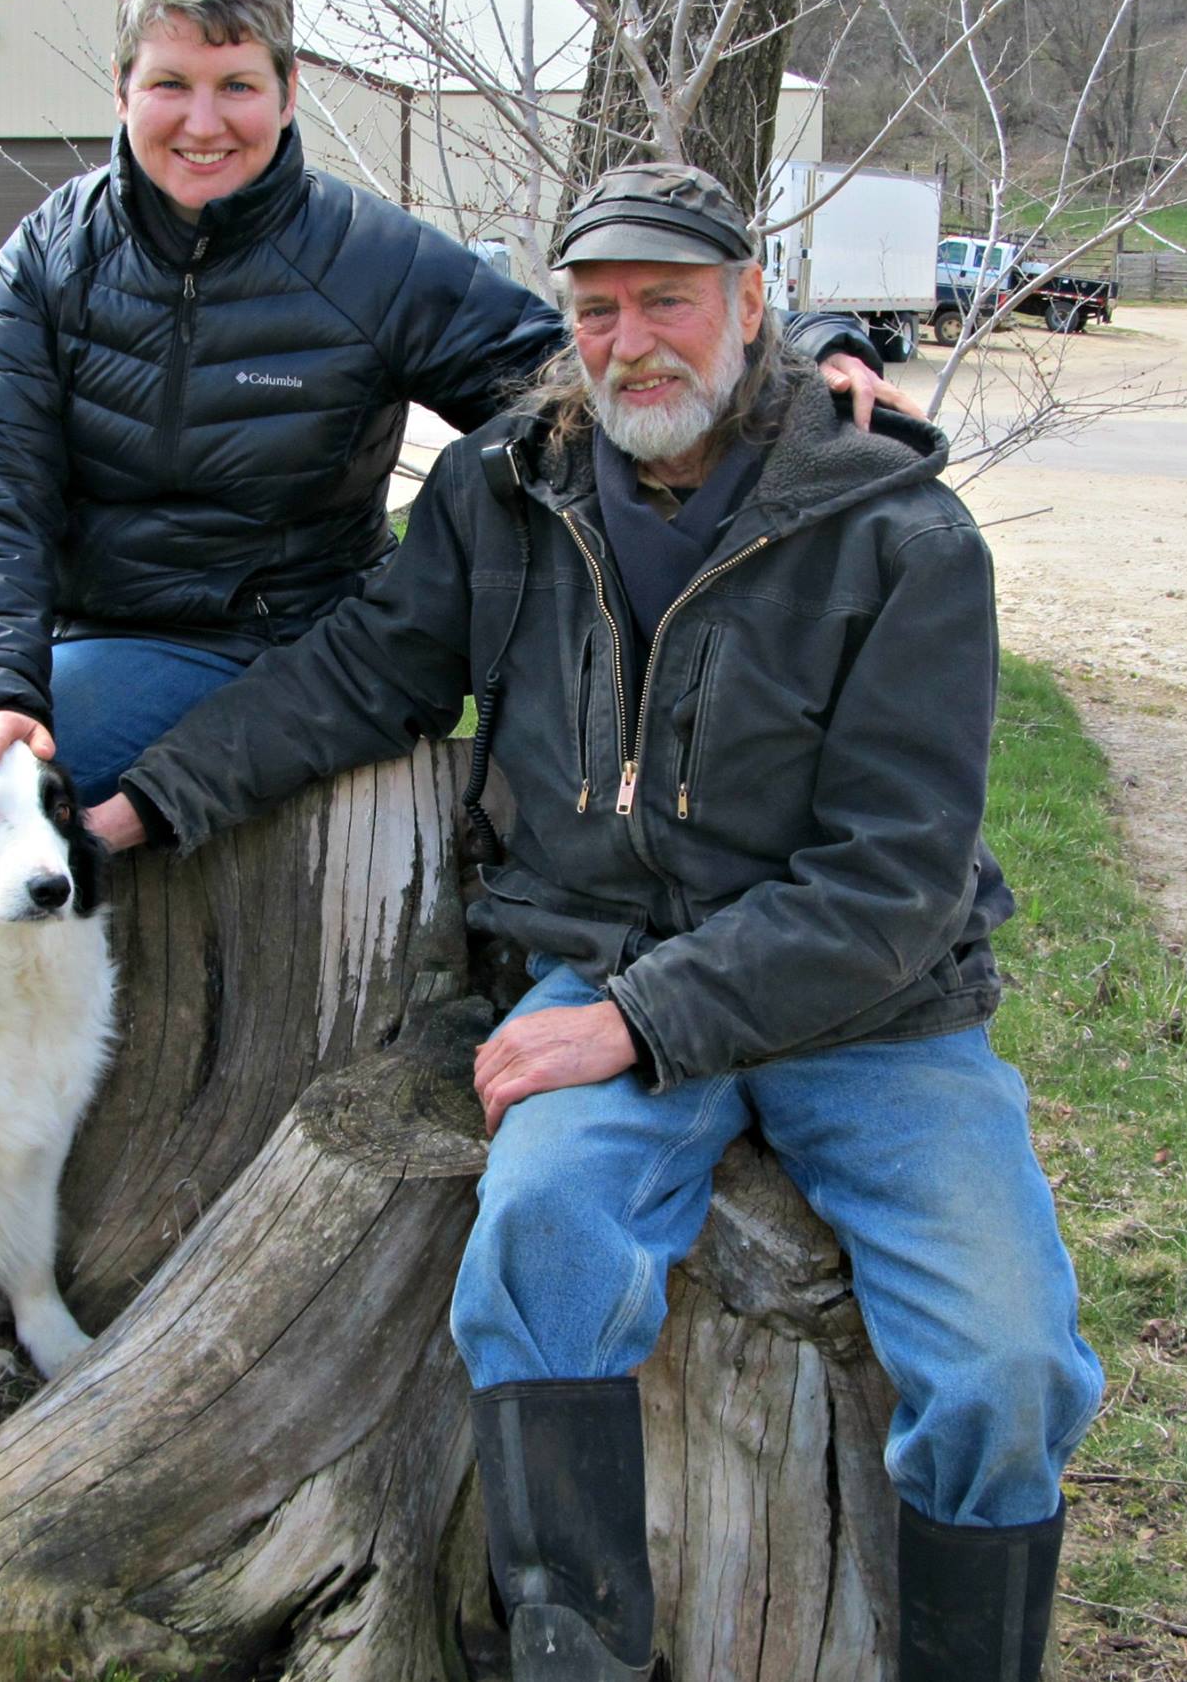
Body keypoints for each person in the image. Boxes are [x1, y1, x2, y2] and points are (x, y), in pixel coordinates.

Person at [88, 163, 1103, 1682]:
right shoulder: (508, 490)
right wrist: (135, 809)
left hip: (870, 1008)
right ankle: (578, 1650)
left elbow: (892, 881)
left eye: (671, 301)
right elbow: (362, 671)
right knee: (544, 1238)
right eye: (599, 308)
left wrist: (639, 1021)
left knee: (1009, 1365)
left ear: (752, 306)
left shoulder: (901, 535)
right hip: (605, 954)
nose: (635, 342)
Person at [0, 0, 898, 872]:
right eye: (169, 83)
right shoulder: (51, 255)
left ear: (287, 87)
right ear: (122, 86)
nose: (202, 120)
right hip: (72, 636)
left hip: (255, 643)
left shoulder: (367, 261)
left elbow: (587, 367)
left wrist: (798, 348)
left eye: (236, 85)